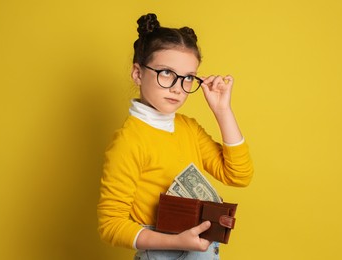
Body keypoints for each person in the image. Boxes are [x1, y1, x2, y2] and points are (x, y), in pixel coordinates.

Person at [97, 13, 254, 259]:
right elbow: (111, 224)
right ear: (138, 73)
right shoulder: (130, 140)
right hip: (162, 250)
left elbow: (239, 174)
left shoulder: (188, 128)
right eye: (166, 73)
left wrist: (222, 110)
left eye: (188, 77)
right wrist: (174, 240)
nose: (177, 87)